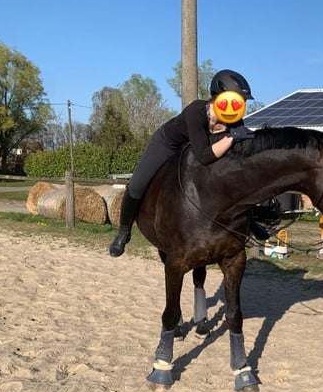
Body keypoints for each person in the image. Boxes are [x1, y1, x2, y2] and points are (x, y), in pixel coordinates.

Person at [109, 69, 260, 257]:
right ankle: (123, 232)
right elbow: (204, 155)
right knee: (137, 185)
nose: (238, 108)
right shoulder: (196, 111)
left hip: (194, 150)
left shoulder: (234, 121)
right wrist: (230, 138)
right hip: (168, 145)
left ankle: (252, 222)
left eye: (241, 104)